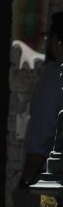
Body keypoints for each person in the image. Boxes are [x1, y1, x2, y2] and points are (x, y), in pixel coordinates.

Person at [24, 12, 63, 183]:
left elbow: (42, 134)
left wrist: (26, 180)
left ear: (56, 40)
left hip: (50, 177)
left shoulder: (53, 78)